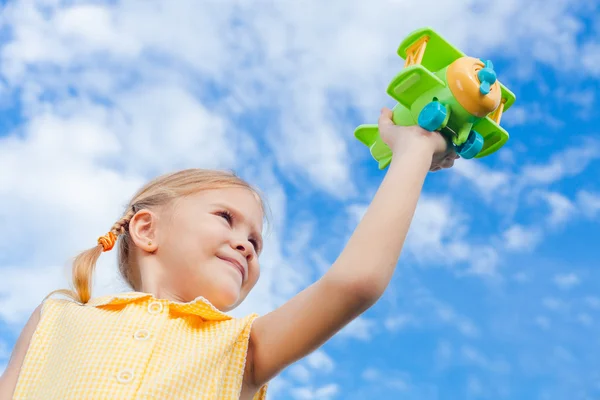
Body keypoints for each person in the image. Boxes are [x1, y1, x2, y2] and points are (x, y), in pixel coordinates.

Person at [0, 107, 458, 399]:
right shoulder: (57, 318)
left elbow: (355, 282)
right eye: (225, 217)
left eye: (256, 243)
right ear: (145, 228)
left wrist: (413, 151)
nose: (246, 244)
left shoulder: (245, 347)